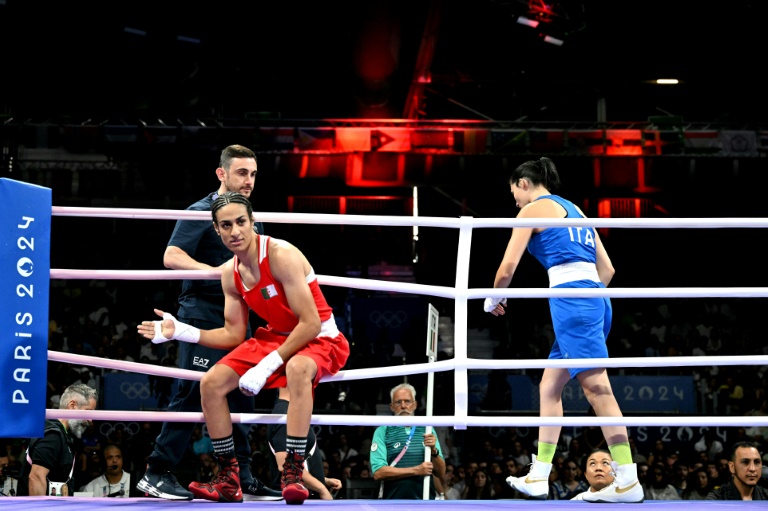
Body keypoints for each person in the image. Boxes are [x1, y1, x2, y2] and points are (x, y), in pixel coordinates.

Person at [137, 191, 350, 505]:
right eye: (226, 225)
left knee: (296, 368)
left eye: (240, 222)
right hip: (275, 337)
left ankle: (292, 471)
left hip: (318, 337)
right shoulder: (230, 273)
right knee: (209, 383)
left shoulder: (281, 255)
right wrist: (181, 331)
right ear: (217, 230)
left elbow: (310, 323)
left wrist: (264, 367)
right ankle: (228, 477)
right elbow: (233, 335)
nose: (234, 231)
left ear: (253, 224)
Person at [484, 157, 643, 503]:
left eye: (515, 195)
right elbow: (609, 270)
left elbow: (508, 265)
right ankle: (539, 475)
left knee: (597, 388)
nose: (516, 203)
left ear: (524, 183)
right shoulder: (578, 212)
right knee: (549, 385)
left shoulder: (532, 210)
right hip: (594, 300)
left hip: (573, 303)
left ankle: (628, 480)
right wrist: (584, 300)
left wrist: (492, 298)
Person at [136, 144, 280, 501]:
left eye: (254, 174)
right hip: (201, 310)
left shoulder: (252, 219)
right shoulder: (201, 212)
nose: (249, 181)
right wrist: (217, 273)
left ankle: (241, 475)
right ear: (222, 174)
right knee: (190, 392)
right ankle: (157, 472)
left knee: (242, 393)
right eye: (242, 173)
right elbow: (171, 256)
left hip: (239, 315)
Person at [17, 383, 98, 496]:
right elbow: (36, 477)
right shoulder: (53, 436)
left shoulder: (65, 435)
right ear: (72, 405)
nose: (90, 420)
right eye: (88, 411)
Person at [370, 383, 446, 500]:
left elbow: (441, 473)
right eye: (398, 402)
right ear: (391, 406)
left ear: (415, 405)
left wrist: (434, 451)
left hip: (424, 502)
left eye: (407, 401)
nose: (403, 406)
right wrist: (416, 470)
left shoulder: (427, 429)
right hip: (392, 503)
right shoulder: (382, 431)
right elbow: (379, 473)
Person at [267, 387, 343, 500]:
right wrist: (321, 488)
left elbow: (298, 461)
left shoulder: (293, 411)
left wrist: (322, 479)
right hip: (298, 499)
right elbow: (284, 464)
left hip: (303, 496)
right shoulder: (285, 412)